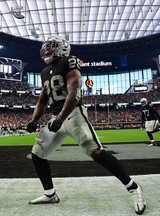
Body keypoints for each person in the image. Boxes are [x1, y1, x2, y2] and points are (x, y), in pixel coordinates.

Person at [26, 35, 146, 215]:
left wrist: (61, 118)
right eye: (46, 46)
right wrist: (34, 120)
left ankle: (134, 187)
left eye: (51, 46)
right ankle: (50, 194)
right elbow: (42, 101)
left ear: (61, 48)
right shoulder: (44, 72)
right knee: (37, 154)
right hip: (55, 117)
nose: (47, 50)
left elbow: (74, 93)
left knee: (96, 152)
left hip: (73, 114)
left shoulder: (69, 62)